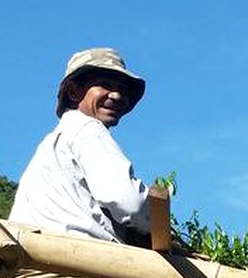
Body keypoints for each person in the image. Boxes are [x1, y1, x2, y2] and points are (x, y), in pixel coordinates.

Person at [8, 47, 152, 245]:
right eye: (105, 85)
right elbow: (130, 202)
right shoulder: (87, 128)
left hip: (36, 261)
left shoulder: (53, 143)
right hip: (79, 264)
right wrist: (155, 217)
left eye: (122, 90)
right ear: (75, 93)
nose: (117, 96)